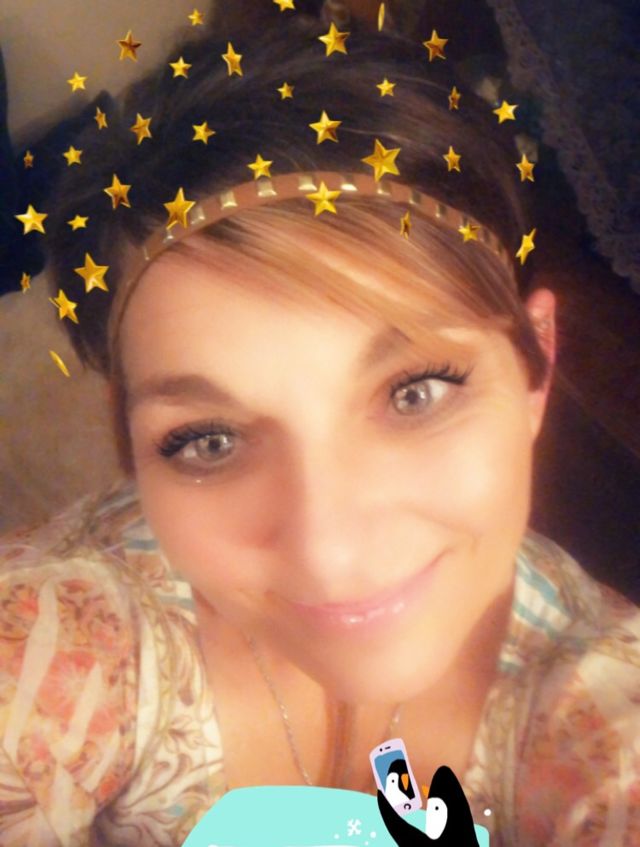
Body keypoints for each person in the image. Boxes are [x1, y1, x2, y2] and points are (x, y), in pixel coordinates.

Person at [1, 11, 638, 847]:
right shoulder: (72, 632)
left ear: (537, 366)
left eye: (415, 392)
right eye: (209, 438)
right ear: (130, 440)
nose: (329, 552)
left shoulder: (605, 715)